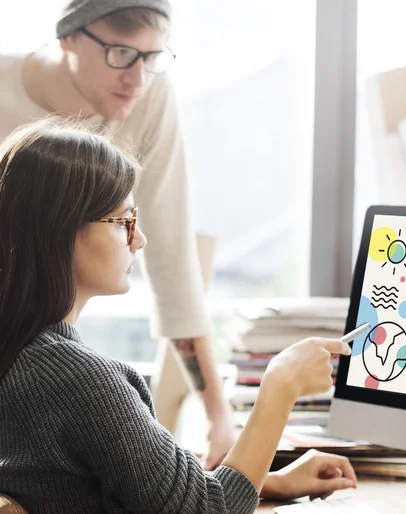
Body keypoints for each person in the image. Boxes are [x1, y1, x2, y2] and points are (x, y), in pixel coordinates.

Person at [0, 118, 357, 513]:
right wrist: (280, 388)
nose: (140, 240)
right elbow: (208, 510)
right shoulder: (78, 381)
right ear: (60, 231)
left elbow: (102, 489)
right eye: (124, 222)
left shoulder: (23, 357)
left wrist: (267, 482)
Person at [0, 0, 236, 468]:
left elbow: (170, 257)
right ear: (67, 37)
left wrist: (217, 416)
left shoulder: (150, 94)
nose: (138, 78)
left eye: (153, 58)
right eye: (121, 54)